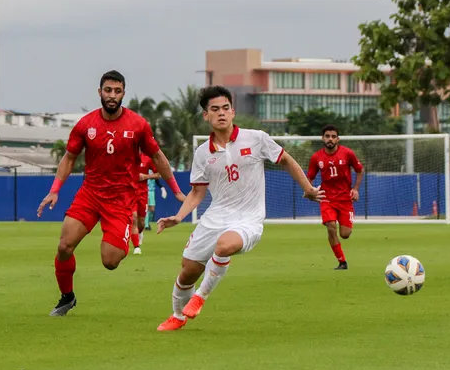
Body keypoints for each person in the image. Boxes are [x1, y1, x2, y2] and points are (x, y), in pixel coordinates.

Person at [155, 86, 324, 331]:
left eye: (225, 108)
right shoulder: (203, 153)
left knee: (225, 245)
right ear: (206, 116)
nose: (221, 113)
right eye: (215, 109)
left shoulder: (256, 138)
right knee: (187, 271)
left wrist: (308, 188)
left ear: (233, 112)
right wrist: (179, 217)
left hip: (248, 219)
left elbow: (285, 159)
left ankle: (200, 297)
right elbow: (197, 192)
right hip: (215, 217)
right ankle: (177, 316)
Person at [37, 70, 186, 316]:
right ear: (100, 92)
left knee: (110, 261)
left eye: (117, 91)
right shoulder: (86, 124)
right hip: (90, 195)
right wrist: (55, 190)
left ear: (123, 94)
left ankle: (121, 236)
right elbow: (69, 157)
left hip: (119, 199)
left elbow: (158, 156)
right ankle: (67, 297)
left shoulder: (138, 124)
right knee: (64, 246)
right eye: (108, 90)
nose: (112, 95)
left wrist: (176, 191)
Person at [307, 125, 364, 270]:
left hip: (345, 199)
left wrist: (355, 189)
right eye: (327, 136)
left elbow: (359, 170)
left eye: (333, 136)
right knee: (331, 226)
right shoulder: (316, 157)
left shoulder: (347, 153)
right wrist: (309, 191)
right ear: (323, 138)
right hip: (327, 198)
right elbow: (309, 178)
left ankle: (341, 256)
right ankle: (342, 262)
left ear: (337, 139)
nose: (330, 139)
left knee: (345, 234)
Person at [131, 151, 162, 255]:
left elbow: (159, 174)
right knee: (133, 218)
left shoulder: (147, 158)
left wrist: (145, 176)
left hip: (142, 194)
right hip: (129, 193)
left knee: (141, 222)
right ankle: (136, 247)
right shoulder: (126, 156)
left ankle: (140, 232)